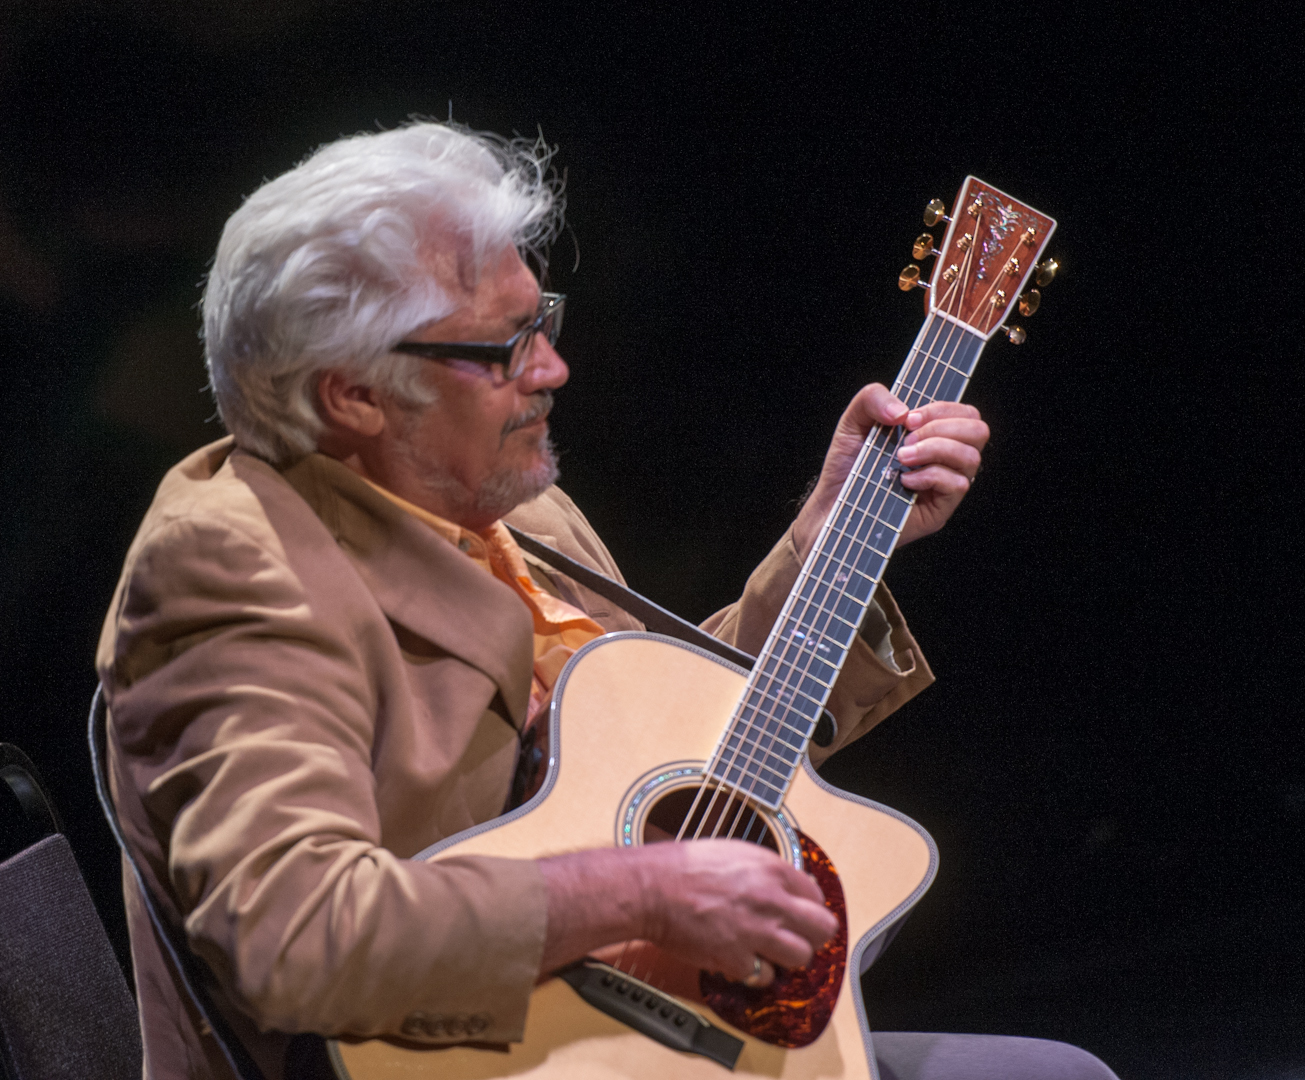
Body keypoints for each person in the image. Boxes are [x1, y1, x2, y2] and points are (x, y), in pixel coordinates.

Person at [97, 123, 1116, 1080]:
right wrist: (642, 893)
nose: (553, 368)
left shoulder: (506, 503)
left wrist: (824, 536)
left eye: (540, 320)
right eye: (503, 349)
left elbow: (664, 745)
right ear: (353, 395)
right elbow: (295, 934)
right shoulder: (232, 569)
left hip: (604, 1026)